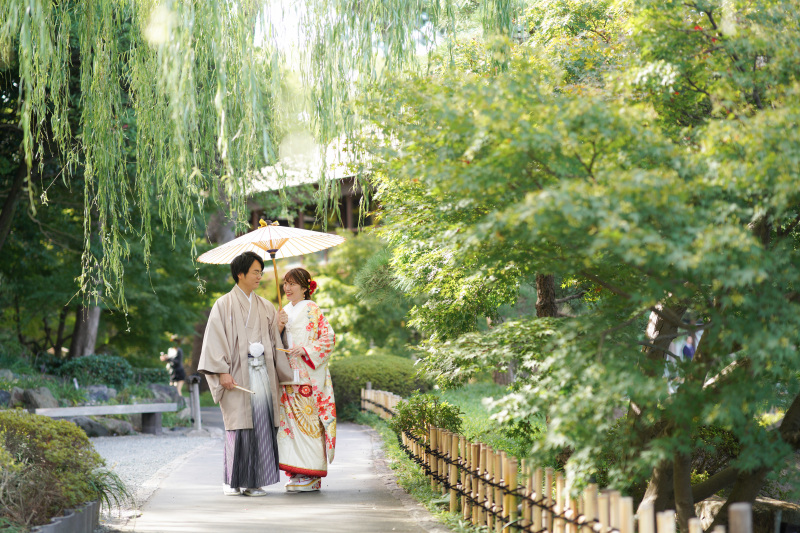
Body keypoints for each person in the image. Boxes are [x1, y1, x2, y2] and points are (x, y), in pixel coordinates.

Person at [197, 251, 293, 497]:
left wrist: (279, 326)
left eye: (261, 272)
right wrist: (222, 372)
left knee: (261, 426)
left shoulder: (266, 306)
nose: (259, 276)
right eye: (255, 272)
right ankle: (233, 482)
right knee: (238, 426)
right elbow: (214, 341)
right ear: (240, 274)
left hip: (262, 374)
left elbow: (274, 340)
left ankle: (253, 482)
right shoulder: (223, 304)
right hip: (237, 375)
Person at [276, 267, 336, 493]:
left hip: (307, 378)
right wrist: (278, 326)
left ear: (304, 287)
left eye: (292, 284)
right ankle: (297, 472)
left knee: (309, 425)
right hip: (287, 378)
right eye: (285, 283)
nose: (287, 288)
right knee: (291, 427)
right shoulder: (283, 311)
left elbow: (328, 338)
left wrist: (306, 350)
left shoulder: (312, 309)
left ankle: (312, 475)